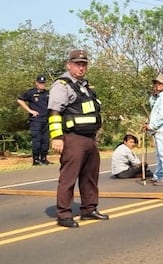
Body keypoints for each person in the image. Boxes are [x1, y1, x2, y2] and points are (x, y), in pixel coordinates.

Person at [47, 49, 108, 228]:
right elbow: (54, 112)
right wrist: (57, 136)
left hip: (89, 138)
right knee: (68, 177)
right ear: (69, 65)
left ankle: (89, 209)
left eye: (84, 64)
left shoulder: (85, 86)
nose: (81, 67)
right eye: (77, 64)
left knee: (90, 176)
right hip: (72, 138)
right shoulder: (62, 85)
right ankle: (64, 214)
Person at [17, 74, 51, 165]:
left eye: (43, 83)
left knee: (46, 140)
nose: (42, 85)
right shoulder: (31, 93)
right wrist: (30, 110)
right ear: (36, 83)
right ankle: (36, 160)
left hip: (46, 120)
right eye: (40, 83)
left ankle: (44, 158)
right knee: (37, 139)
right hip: (36, 120)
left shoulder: (48, 93)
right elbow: (20, 100)